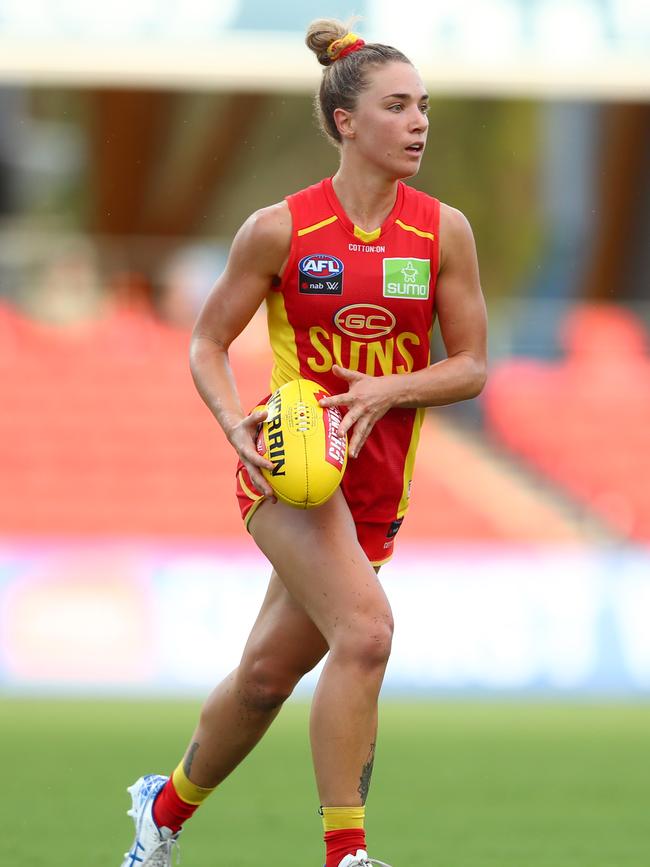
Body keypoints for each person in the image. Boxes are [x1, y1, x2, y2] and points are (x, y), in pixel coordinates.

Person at [119, 17, 487, 867]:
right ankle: (345, 854)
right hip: (295, 474)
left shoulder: (444, 232)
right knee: (367, 633)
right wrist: (229, 422)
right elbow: (206, 342)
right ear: (346, 122)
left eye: (424, 106)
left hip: (375, 491)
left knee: (261, 680)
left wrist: (393, 386)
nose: (420, 123)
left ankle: (160, 810)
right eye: (398, 107)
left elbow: (470, 366)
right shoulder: (280, 229)